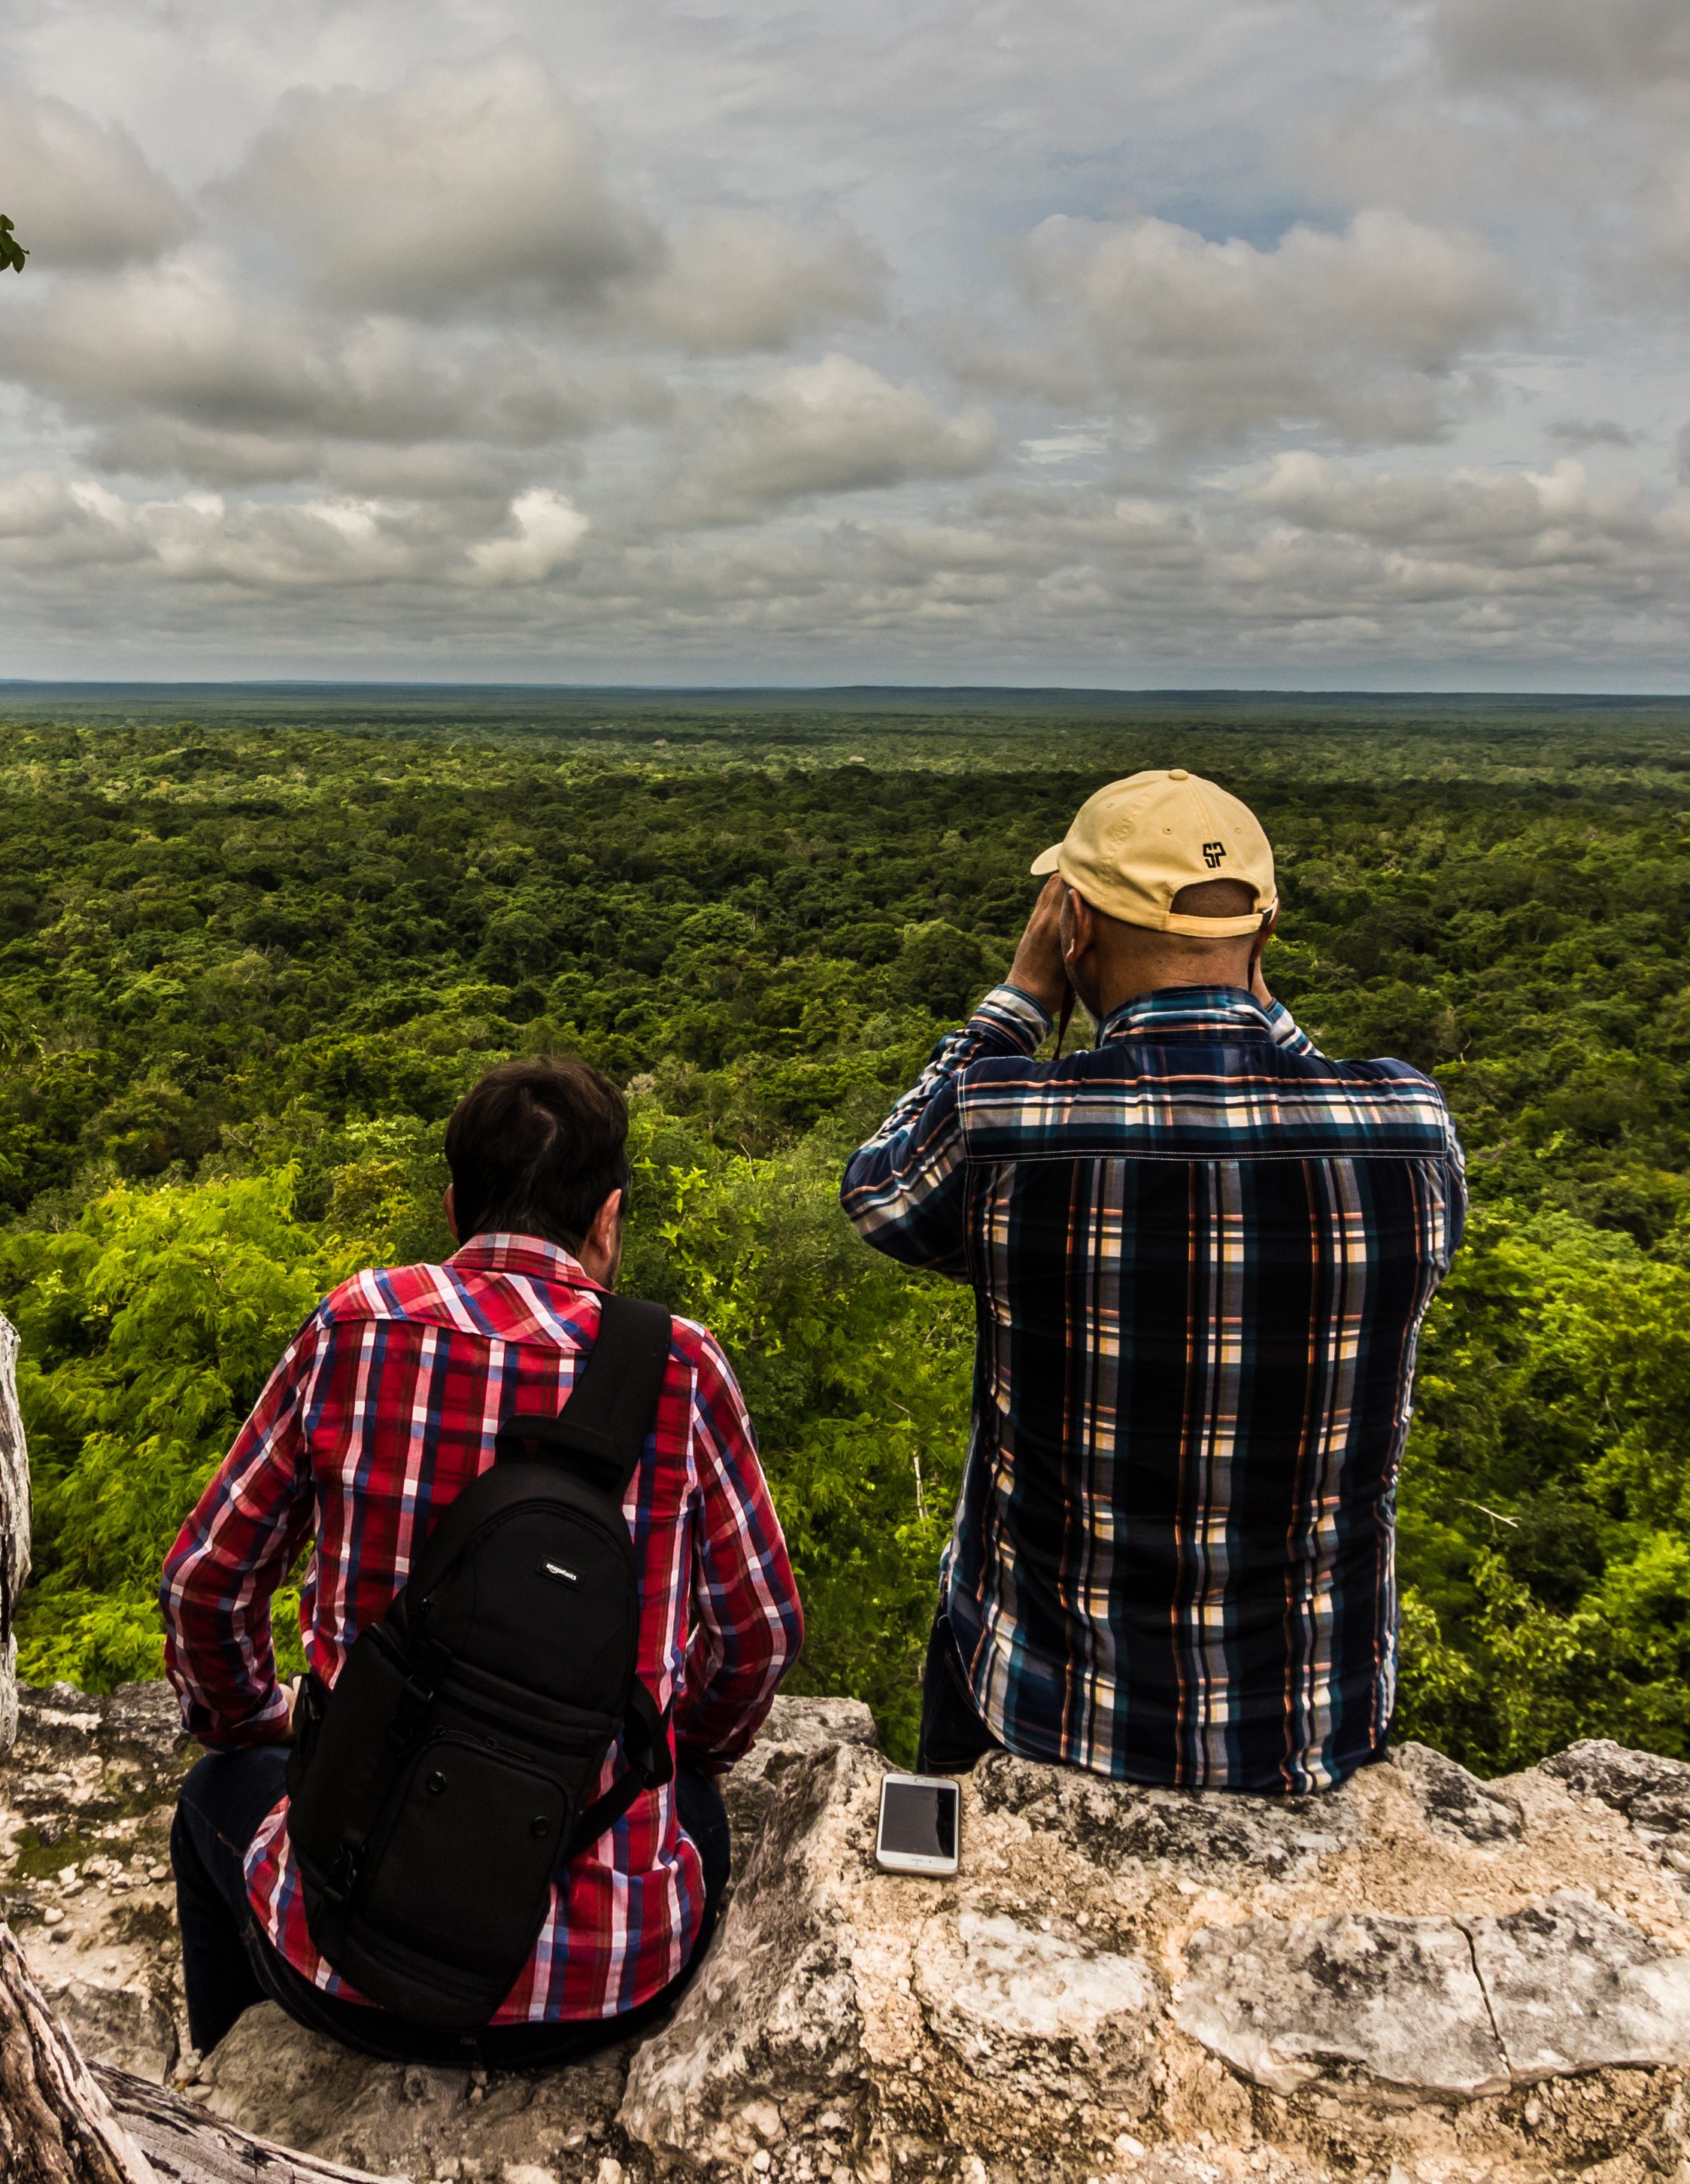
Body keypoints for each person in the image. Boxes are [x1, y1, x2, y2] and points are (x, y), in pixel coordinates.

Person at [160, 1056, 802, 2067]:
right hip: (602, 1991)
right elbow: (761, 1633)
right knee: (699, 1810)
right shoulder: (681, 1368)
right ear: (610, 1217)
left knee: (216, 1790)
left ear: (455, 1203)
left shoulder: (356, 1326)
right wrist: (688, 1753)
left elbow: (205, 1581)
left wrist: (255, 1723)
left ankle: (229, 2064)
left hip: (343, 1967)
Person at [842, 767, 1464, 1794]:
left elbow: (881, 1193)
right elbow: (1311, 1086)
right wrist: (1255, 998)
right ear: (1266, 937)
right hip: (1314, 1718)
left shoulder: (1010, 1123)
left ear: (1072, 925)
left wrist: (1018, 1001)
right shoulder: (1408, 1132)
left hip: (1039, 1705)